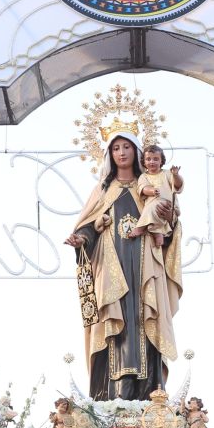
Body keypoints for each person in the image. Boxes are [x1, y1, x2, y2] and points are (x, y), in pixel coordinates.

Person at [65, 133, 181, 401]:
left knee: (144, 320)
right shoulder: (104, 190)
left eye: (126, 147)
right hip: (111, 269)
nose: (121, 152)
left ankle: (150, 395)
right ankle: (112, 397)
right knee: (114, 323)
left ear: (138, 152)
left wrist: (169, 218)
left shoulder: (150, 186)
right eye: (116, 148)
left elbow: (170, 226)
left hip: (145, 270)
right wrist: (81, 238)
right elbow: (86, 226)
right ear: (109, 154)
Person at [132, 143, 184, 244]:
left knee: (153, 207)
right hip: (153, 203)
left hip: (167, 204)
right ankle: (158, 234)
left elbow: (178, 185)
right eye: (148, 159)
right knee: (152, 208)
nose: (152, 162)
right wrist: (152, 191)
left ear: (161, 161)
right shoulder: (144, 176)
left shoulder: (167, 174)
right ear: (144, 161)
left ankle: (140, 227)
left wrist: (176, 175)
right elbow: (142, 188)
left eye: (156, 159)